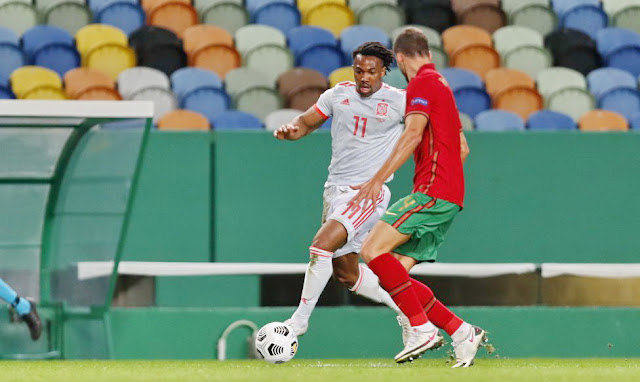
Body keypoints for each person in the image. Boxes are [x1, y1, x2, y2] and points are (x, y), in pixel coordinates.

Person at [347, 27, 486, 367]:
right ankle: (461, 330)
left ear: (403, 58)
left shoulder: (421, 85)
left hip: (432, 192)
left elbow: (412, 133)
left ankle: (421, 328)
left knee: (371, 250)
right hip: (449, 195)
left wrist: (378, 180)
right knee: (394, 273)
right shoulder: (442, 85)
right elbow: (462, 148)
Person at [273, 42, 410, 338]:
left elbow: (422, 129)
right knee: (347, 275)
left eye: (371, 72)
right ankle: (410, 315)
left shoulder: (400, 101)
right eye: (359, 70)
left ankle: (299, 321)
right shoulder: (337, 95)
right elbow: (306, 122)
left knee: (321, 245)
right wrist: (291, 130)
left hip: (367, 193)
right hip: (335, 190)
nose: (364, 77)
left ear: (384, 72)